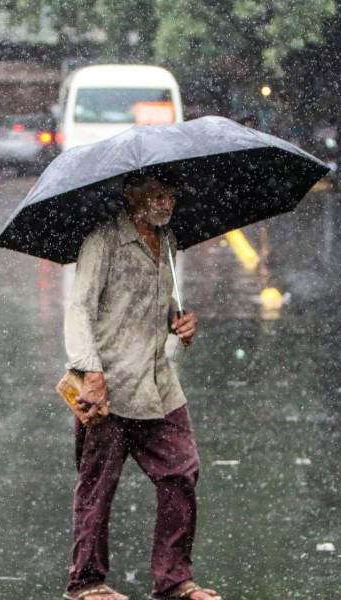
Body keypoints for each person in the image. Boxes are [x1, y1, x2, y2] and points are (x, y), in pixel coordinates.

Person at [63, 171, 220, 600]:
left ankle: (173, 581)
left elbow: (156, 303)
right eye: (153, 193)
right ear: (130, 193)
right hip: (109, 385)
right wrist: (89, 372)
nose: (163, 202)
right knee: (98, 486)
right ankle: (86, 583)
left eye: (169, 193)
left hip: (158, 384)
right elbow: (79, 309)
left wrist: (179, 320)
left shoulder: (167, 243)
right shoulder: (103, 241)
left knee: (181, 473)